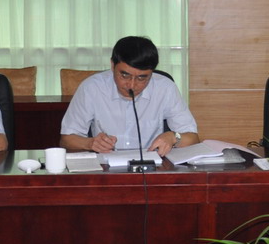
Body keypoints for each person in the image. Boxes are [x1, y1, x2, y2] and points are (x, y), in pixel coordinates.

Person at [60, 36, 199, 156]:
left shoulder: (165, 88)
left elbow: (193, 139)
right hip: (105, 167)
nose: (132, 85)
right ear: (112, 65)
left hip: (152, 167)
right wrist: (90, 143)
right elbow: (66, 140)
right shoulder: (91, 88)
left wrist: (174, 137)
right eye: (125, 75)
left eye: (142, 78)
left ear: (152, 73)